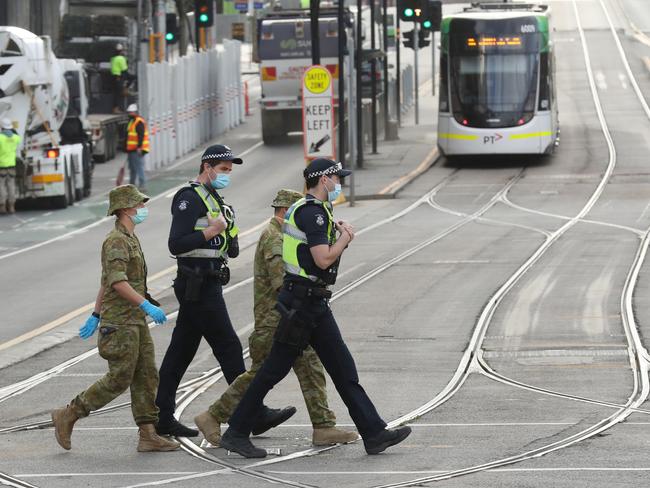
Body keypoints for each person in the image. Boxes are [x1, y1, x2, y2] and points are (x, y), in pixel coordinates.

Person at [220, 158, 412, 458]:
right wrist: (346, 238)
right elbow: (323, 259)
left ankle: (374, 433)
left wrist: (338, 233)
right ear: (323, 180)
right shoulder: (313, 214)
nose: (339, 184)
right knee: (272, 371)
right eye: (336, 179)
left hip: (310, 301)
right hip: (305, 303)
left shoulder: (306, 210)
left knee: (342, 369)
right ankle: (235, 432)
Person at [193, 189, 358, 447]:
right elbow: (281, 282)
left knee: (310, 367)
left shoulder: (282, 235)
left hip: (291, 317)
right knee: (260, 376)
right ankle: (212, 416)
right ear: (285, 212)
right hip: (276, 321)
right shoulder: (274, 238)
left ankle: (323, 425)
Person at [155, 144, 295, 438]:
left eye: (229, 171)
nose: (227, 175)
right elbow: (176, 243)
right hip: (197, 283)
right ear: (207, 167)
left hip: (208, 281)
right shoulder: (188, 198)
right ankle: (251, 413)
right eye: (223, 170)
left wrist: (227, 235)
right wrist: (212, 231)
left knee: (180, 353)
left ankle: (162, 416)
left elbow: (227, 245)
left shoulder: (215, 200)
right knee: (229, 348)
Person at [51, 184, 179, 452]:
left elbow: (105, 282)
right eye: (138, 205)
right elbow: (117, 282)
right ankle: (70, 413)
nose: (142, 208)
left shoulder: (130, 238)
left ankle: (147, 434)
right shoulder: (116, 240)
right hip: (121, 322)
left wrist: (96, 313)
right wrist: (145, 305)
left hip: (134, 320)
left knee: (146, 375)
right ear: (124, 209)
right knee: (120, 378)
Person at [125, 104, 149, 191]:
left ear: (135, 112)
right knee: (132, 168)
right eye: (129, 112)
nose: (130, 114)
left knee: (139, 167)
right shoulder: (132, 121)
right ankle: (131, 186)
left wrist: (139, 147)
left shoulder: (138, 122)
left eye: (131, 112)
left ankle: (142, 185)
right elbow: (128, 136)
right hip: (131, 150)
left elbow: (141, 135)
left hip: (137, 150)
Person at [0, 118, 21, 215]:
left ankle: (2, 206)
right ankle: (12, 206)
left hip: (2, 166)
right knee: (11, 186)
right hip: (12, 166)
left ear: (2, 127)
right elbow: (18, 136)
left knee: (2, 187)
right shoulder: (15, 138)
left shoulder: (0, 138)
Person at [111, 43, 130, 113]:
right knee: (118, 94)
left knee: (116, 93)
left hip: (114, 77)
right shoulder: (121, 58)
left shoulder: (113, 58)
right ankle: (125, 89)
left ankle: (115, 108)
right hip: (119, 77)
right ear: (121, 51)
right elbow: (124, 69)